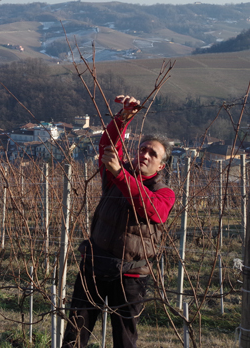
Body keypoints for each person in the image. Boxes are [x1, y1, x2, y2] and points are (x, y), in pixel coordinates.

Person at [62, 95, 176, 348]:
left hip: (131, 275)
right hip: (94, 264)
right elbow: (107, 146)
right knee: (74, 335)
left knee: (124, 340)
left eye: (152, 153)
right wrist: (124, 116)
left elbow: (153, 210)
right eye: (143, 148)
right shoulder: (115, 175)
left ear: (161, 165)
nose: (145, 155)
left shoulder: (164, 193)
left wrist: (119, 173)